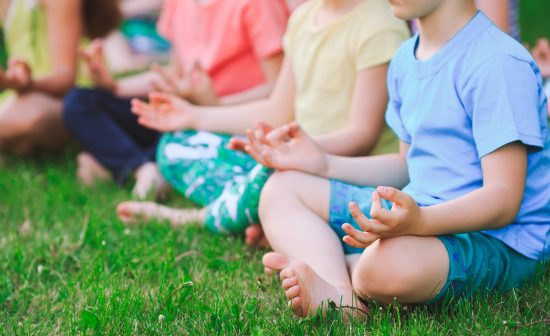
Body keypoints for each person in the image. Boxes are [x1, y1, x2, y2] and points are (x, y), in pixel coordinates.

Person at [235, 0, 549, 317]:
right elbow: (405, 166)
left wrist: (421, 223)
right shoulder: (405, 59)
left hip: (497, 240)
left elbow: (504, 200)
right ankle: (342, 297)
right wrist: (324, 164)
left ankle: (336, 265)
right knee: (281, 189)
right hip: (417, 213)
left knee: (385, 265)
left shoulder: (497, 62)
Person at [118, 0, 410, 244]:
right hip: (289, 154)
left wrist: (297, 152)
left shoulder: (379, 26)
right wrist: (197, 115)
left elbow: (362, 134)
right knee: (176, 146)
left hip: (337, 168)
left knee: (272, 177)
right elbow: (277, 109)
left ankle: (200, 217)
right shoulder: (304, 18)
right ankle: (263, 210)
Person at [62, 0, 289, 199]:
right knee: (79, 102)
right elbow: (174, 75)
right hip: (186, 110)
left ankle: (122, 164)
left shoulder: (258, 4)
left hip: (230, 119)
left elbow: (278, 90)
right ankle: (142, 167)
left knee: (177, 136)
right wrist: (114, 86)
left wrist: (213, 105)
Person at [0, 0, 121, 155]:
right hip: (24, 96)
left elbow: (66, 78)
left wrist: (26, 84)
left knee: (31, 116)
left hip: (76, 98)